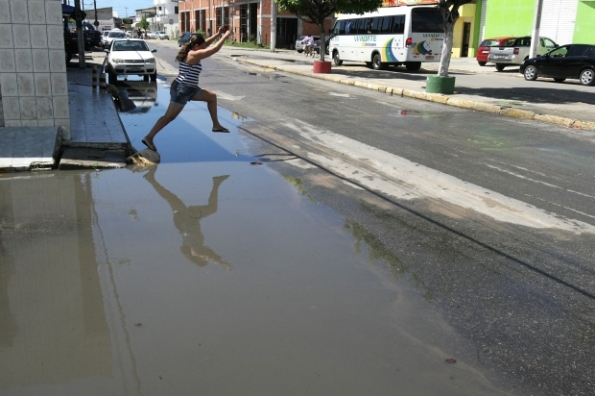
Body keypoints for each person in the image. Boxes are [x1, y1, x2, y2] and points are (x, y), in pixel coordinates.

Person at [141, 26, 233, 151]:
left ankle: (216, 125)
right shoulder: (194, 54)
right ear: (196, 46)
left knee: (211, 97)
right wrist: (226, 35)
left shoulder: (192, 50)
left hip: (191, 89)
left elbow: (205, 44)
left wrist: (218, 34)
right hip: (182, 89)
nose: (204, 47)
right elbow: (215, 49)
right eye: (202, 46)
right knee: (169, 117)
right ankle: (149, 137)